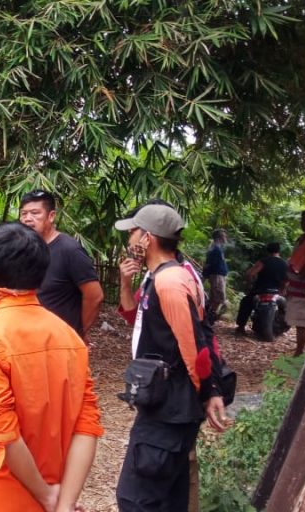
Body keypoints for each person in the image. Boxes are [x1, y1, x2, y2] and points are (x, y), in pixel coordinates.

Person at [0, 222, 103, 512]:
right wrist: (64, 503)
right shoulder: (69, 336)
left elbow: (1, 431)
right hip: (53, 494)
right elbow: (87, 426)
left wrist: (47, 495)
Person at [114, 204, 228, 511]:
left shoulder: (170, 282)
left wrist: (209, 392)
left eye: (134, 232)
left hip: (170, 410)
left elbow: (195, 347)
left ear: (147, 238)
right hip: (166, 406)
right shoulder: (159, 277)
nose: (130, 239)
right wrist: (125, 284)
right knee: (167, 499)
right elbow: (134, 318)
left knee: (137, 499)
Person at [18, 190, 104, 339]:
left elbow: (94, 296)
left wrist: (78, 333)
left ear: (51, 216)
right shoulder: (24, 248)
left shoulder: (70, 250)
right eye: (24, 214)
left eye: (35, 213)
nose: (28, 219)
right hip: (28, 340)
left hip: (60, 342)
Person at [236, 242, 289, 335]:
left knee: (246, 302)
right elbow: (286, 281)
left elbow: (250, 274)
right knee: (286, 307)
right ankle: (282, 328)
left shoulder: (264, 261)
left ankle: (241, 327)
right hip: (276, 292)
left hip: (260, 290)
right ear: (278, 251)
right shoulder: (284, 264)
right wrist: (282, 290)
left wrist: (249, 284)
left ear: (267, 250)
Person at [286, 210, 305, 355]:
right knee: (300, 321)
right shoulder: (302, 239)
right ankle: (300, 349)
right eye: (303, 220)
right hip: (297, 285)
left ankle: (300, 351)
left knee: (302, 321)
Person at [202, 229, 229, 323]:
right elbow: (208, 264)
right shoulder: (215, 249)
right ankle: (210, 317)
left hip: (219, 276)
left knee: (215, 298)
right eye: (224, 236)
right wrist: (204, 276)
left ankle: (209, 316)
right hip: (217, 276)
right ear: (219, 238)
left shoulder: (216, 248)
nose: (226, 238)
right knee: (219, 298)